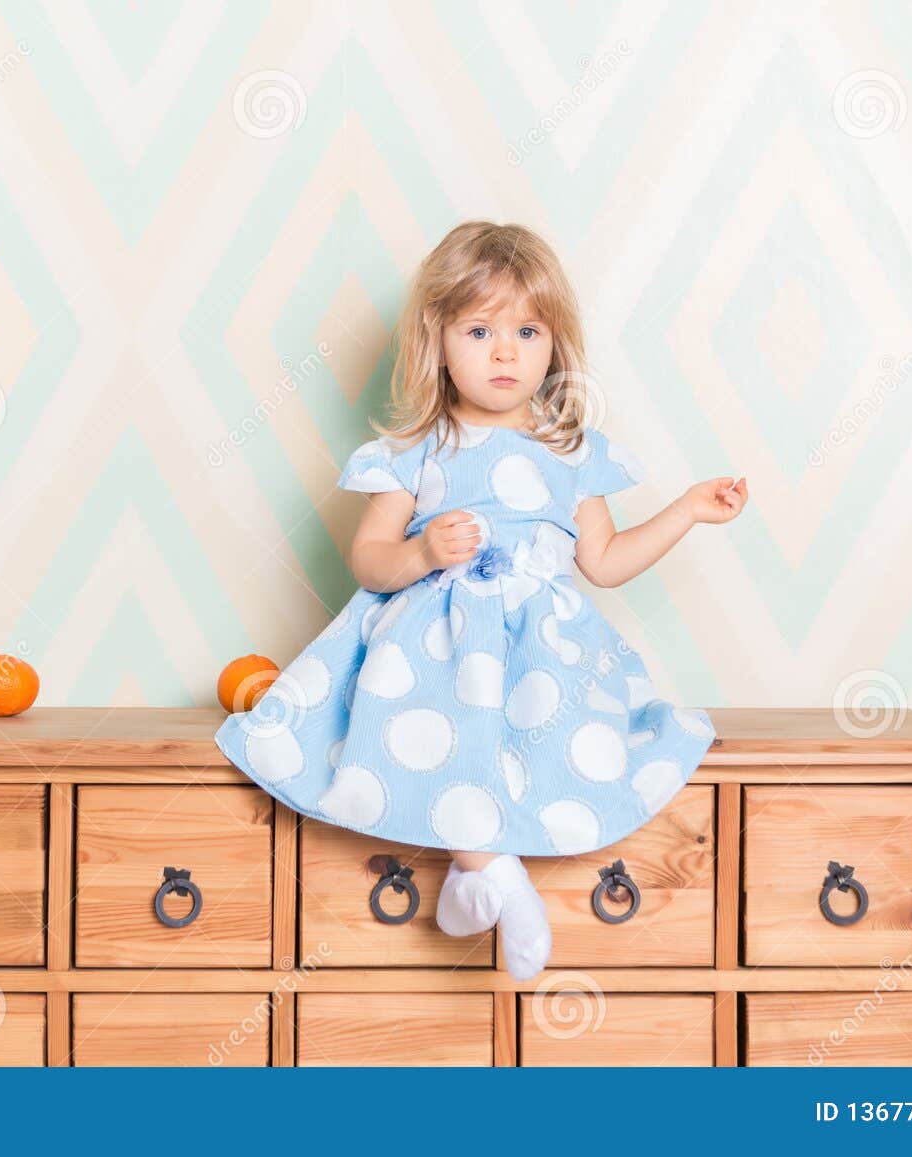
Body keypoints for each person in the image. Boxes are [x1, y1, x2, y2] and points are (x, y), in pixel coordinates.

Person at [214, 220, 748, 980]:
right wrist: (424, 552)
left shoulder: (573, 451)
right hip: (433, 648)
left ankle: (470, 878)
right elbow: (367, 558)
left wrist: (688, 509)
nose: (505, 352)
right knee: (441, 736)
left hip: (539, 655)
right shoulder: (417, 447)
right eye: (480, 329)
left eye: (527, 331)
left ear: (554, 344)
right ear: (439, 340)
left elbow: (604, 560)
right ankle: (499, 878)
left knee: (540, 751)